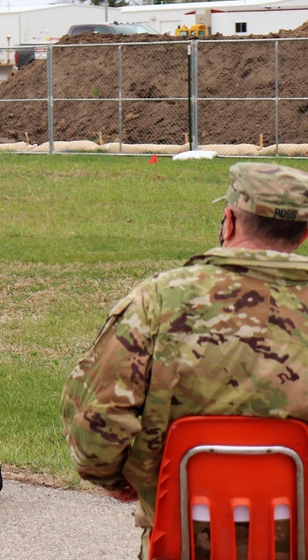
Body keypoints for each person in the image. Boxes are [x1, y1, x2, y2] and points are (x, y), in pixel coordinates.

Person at [60, 162, 308, 559]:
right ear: (304, 234)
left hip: (182, 538)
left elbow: (95, 419)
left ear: (228, 221)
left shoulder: (160, 300)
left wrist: (115, 476)